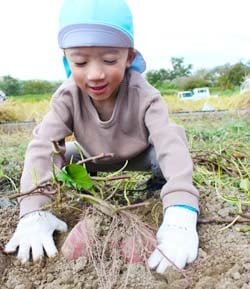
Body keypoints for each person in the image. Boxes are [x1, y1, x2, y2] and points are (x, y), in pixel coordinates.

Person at [5, 0, 199, 274]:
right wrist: (33, 210)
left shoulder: (144, 95)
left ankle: (159, 189)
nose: (95, 74)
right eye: (80, 62)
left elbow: (167, 141)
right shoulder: (67, 96)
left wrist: (182, 210)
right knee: (61, 154)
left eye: (110, 60)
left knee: (170, 146)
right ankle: (67, 198)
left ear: (129, 57)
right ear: (65, 60)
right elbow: (42, 145)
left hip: (141, 157)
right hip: (91, 158)